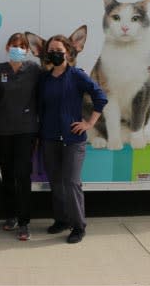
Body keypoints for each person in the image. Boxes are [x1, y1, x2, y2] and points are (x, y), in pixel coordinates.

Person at [38, 34, 107, 244]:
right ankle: (61, 220)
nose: (55, 54)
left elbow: (100, 97)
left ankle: (78, 226)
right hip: (50, 139)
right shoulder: (45, 79)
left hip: (73, 141)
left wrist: (89, 123)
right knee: (56, 184)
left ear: (67, 53)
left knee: (71, 183)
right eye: (51, 51)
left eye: (59, 51)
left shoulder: (77, 75)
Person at [0, 33, 41, 241]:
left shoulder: (34, 70)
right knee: (7, 176)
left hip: (26, 131)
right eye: (14, 45)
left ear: (27, 50)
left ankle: (24, 222)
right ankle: (10, 216)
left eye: (22, 46)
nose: (18, 48)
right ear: (7, 47)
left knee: (22, 176)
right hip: (2, 131)